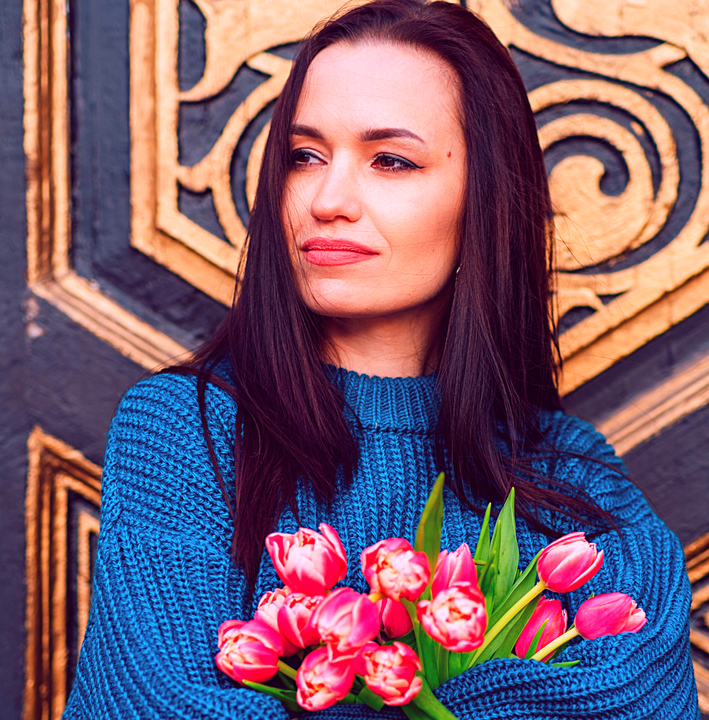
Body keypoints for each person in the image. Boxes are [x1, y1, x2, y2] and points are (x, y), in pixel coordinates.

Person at [62, 1, 699, 718]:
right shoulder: (186, 432)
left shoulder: (568, 471)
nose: (327, 199)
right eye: (305, 156)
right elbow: (153, 708)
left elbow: (634, 699)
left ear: (483, 202)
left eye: (391, 160)